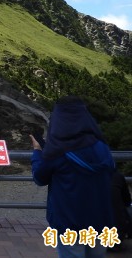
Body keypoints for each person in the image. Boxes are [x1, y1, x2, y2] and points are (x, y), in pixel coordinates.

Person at [30, 95, 116, 258]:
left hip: (69, 222)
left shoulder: (56, 151)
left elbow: (40, 178)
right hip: (100, 219)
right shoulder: (102, 146)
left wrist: (37, 152)